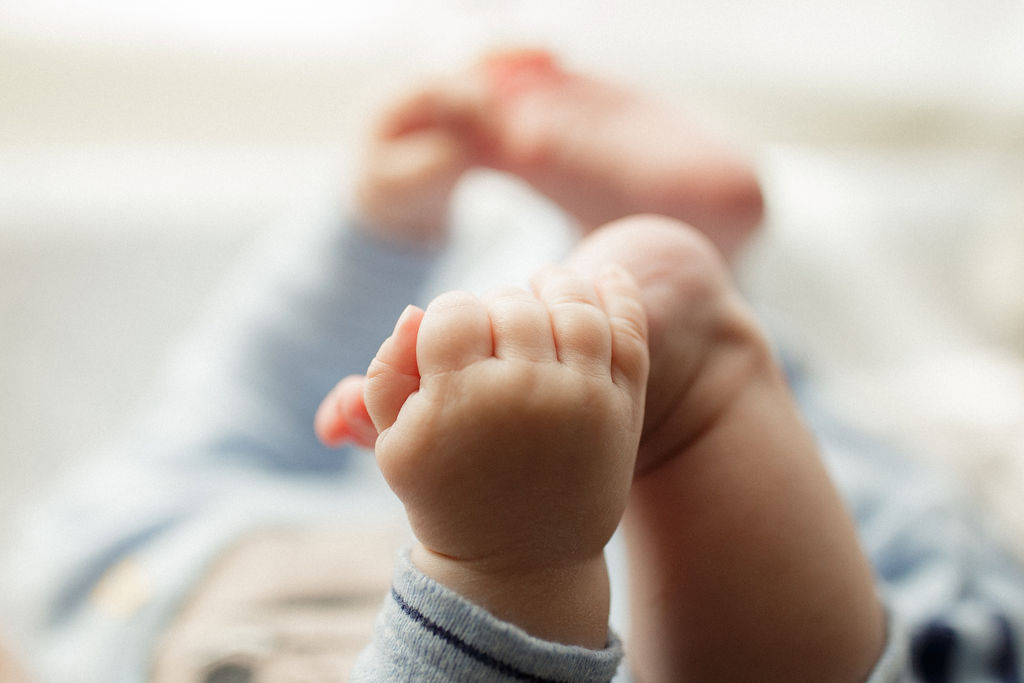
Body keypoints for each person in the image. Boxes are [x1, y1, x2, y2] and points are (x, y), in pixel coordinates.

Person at [1, 49, 1021, 682]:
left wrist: (381, 219)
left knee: (528, 336)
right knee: (624, 368)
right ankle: (697, 365)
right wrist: (505, 565)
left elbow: (256, 385)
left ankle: (677, 288)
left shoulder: (90, 545)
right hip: (841, 624)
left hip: (756, 503)